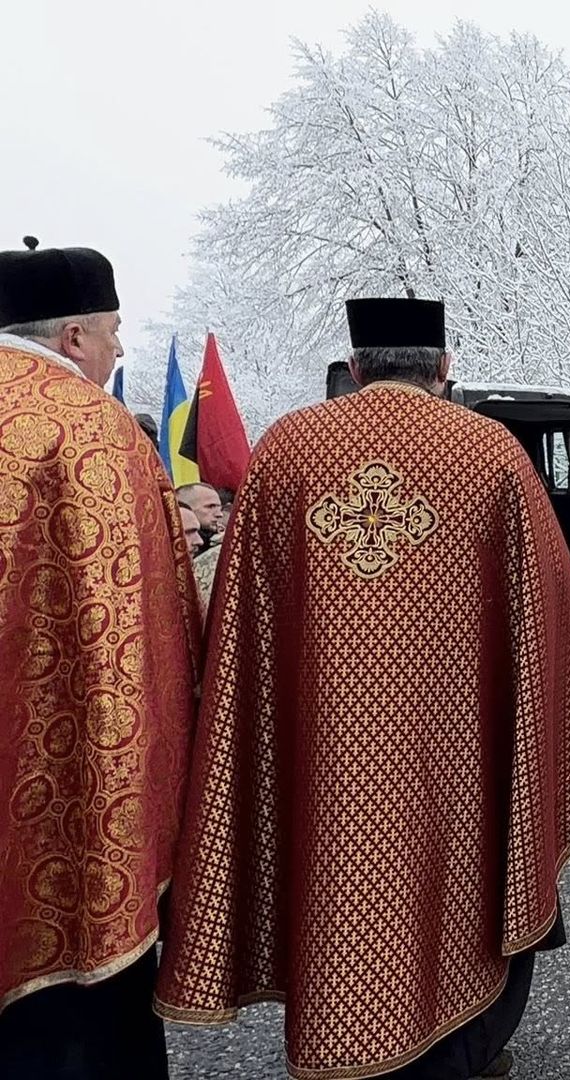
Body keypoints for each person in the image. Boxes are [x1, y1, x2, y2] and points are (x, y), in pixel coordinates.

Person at [154, 297, 570, 1080]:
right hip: (455, 771)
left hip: (321, 764)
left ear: (357, 365)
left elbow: (242, 630)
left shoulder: (287, 450)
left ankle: (342, 1030)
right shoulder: (491, 455)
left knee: (338, 891)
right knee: (464, 895)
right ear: (442, 370)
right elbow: (551, 619)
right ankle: (459, 1048)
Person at [0, 238, 201, 1079]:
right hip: (60, 805)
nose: (120, 347)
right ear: (75, 335)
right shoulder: (90, 426)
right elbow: (146, 628)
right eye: (115, 329)